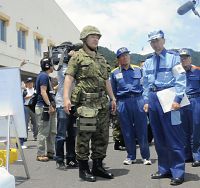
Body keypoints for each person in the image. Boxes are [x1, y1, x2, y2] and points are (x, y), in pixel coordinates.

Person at [63, 25, 116, 182]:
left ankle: (98, 167)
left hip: (102, 104)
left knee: (102, 137)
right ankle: (84, 169)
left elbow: (106, 80)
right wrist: (66, 98)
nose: (96, 39)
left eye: (98, 37)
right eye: (93, 36)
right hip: (86, 105)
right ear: (84, 39)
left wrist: (112, 98)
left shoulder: (101, 58)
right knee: (84, 137)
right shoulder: (77, 57)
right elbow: (69, 78)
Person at [143, 30, 186, 186]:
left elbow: (180, 79)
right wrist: (146, 100)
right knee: (159, 137)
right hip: (154, 99)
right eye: (152, 41)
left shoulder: (174, 58)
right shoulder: (148, 62)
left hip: (169, 97)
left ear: (163, 41)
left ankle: (178, 172)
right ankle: (164, 169)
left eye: (157, 40)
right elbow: (145, 84)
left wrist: (177, 99)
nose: (155, 44)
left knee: (173, 136)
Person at [110, 47, 151, 165]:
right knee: (126, 130)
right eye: (122, 56)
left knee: (142, 128)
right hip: (123, 102)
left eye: (127, 55)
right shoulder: (114, 73)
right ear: (118, 59)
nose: (125, 57)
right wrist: (114, 104)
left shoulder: (139, 70)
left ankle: (145, 156)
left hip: (138, 101)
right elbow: (112, 90)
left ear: (129, 56)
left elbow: (145, 86)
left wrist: (145, 101)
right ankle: (131, 156)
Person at [55, 46, 78, 169]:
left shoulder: (74, 66)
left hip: (73, 104)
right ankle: (59, 159)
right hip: (62, 104)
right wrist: (72, 57)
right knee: (61, 135)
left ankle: (71, 158)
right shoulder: (61, 67)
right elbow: (69, 75)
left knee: (72, 134)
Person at [179, 48, 200, 167]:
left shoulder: (198, 70)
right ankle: (187, 155)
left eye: (186, 57)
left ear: (190, 58)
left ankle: (197, 156)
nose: (184, 59)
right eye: (182, 57)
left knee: (196, 128)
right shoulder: (177, 72)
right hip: (182, 101)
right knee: (184, 130)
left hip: (196, 100)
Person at [35, 58, 56, 162]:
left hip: (47, 107)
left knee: (51, 131)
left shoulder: (45, 76)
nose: (53, 67)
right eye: (51, 65)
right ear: (48, 66)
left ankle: (51, 152)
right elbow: (43, 92)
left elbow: (48, 92)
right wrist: (49, 105)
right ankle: (40, 153)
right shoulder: (43, 76)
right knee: (43, 131)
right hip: (44, 107)